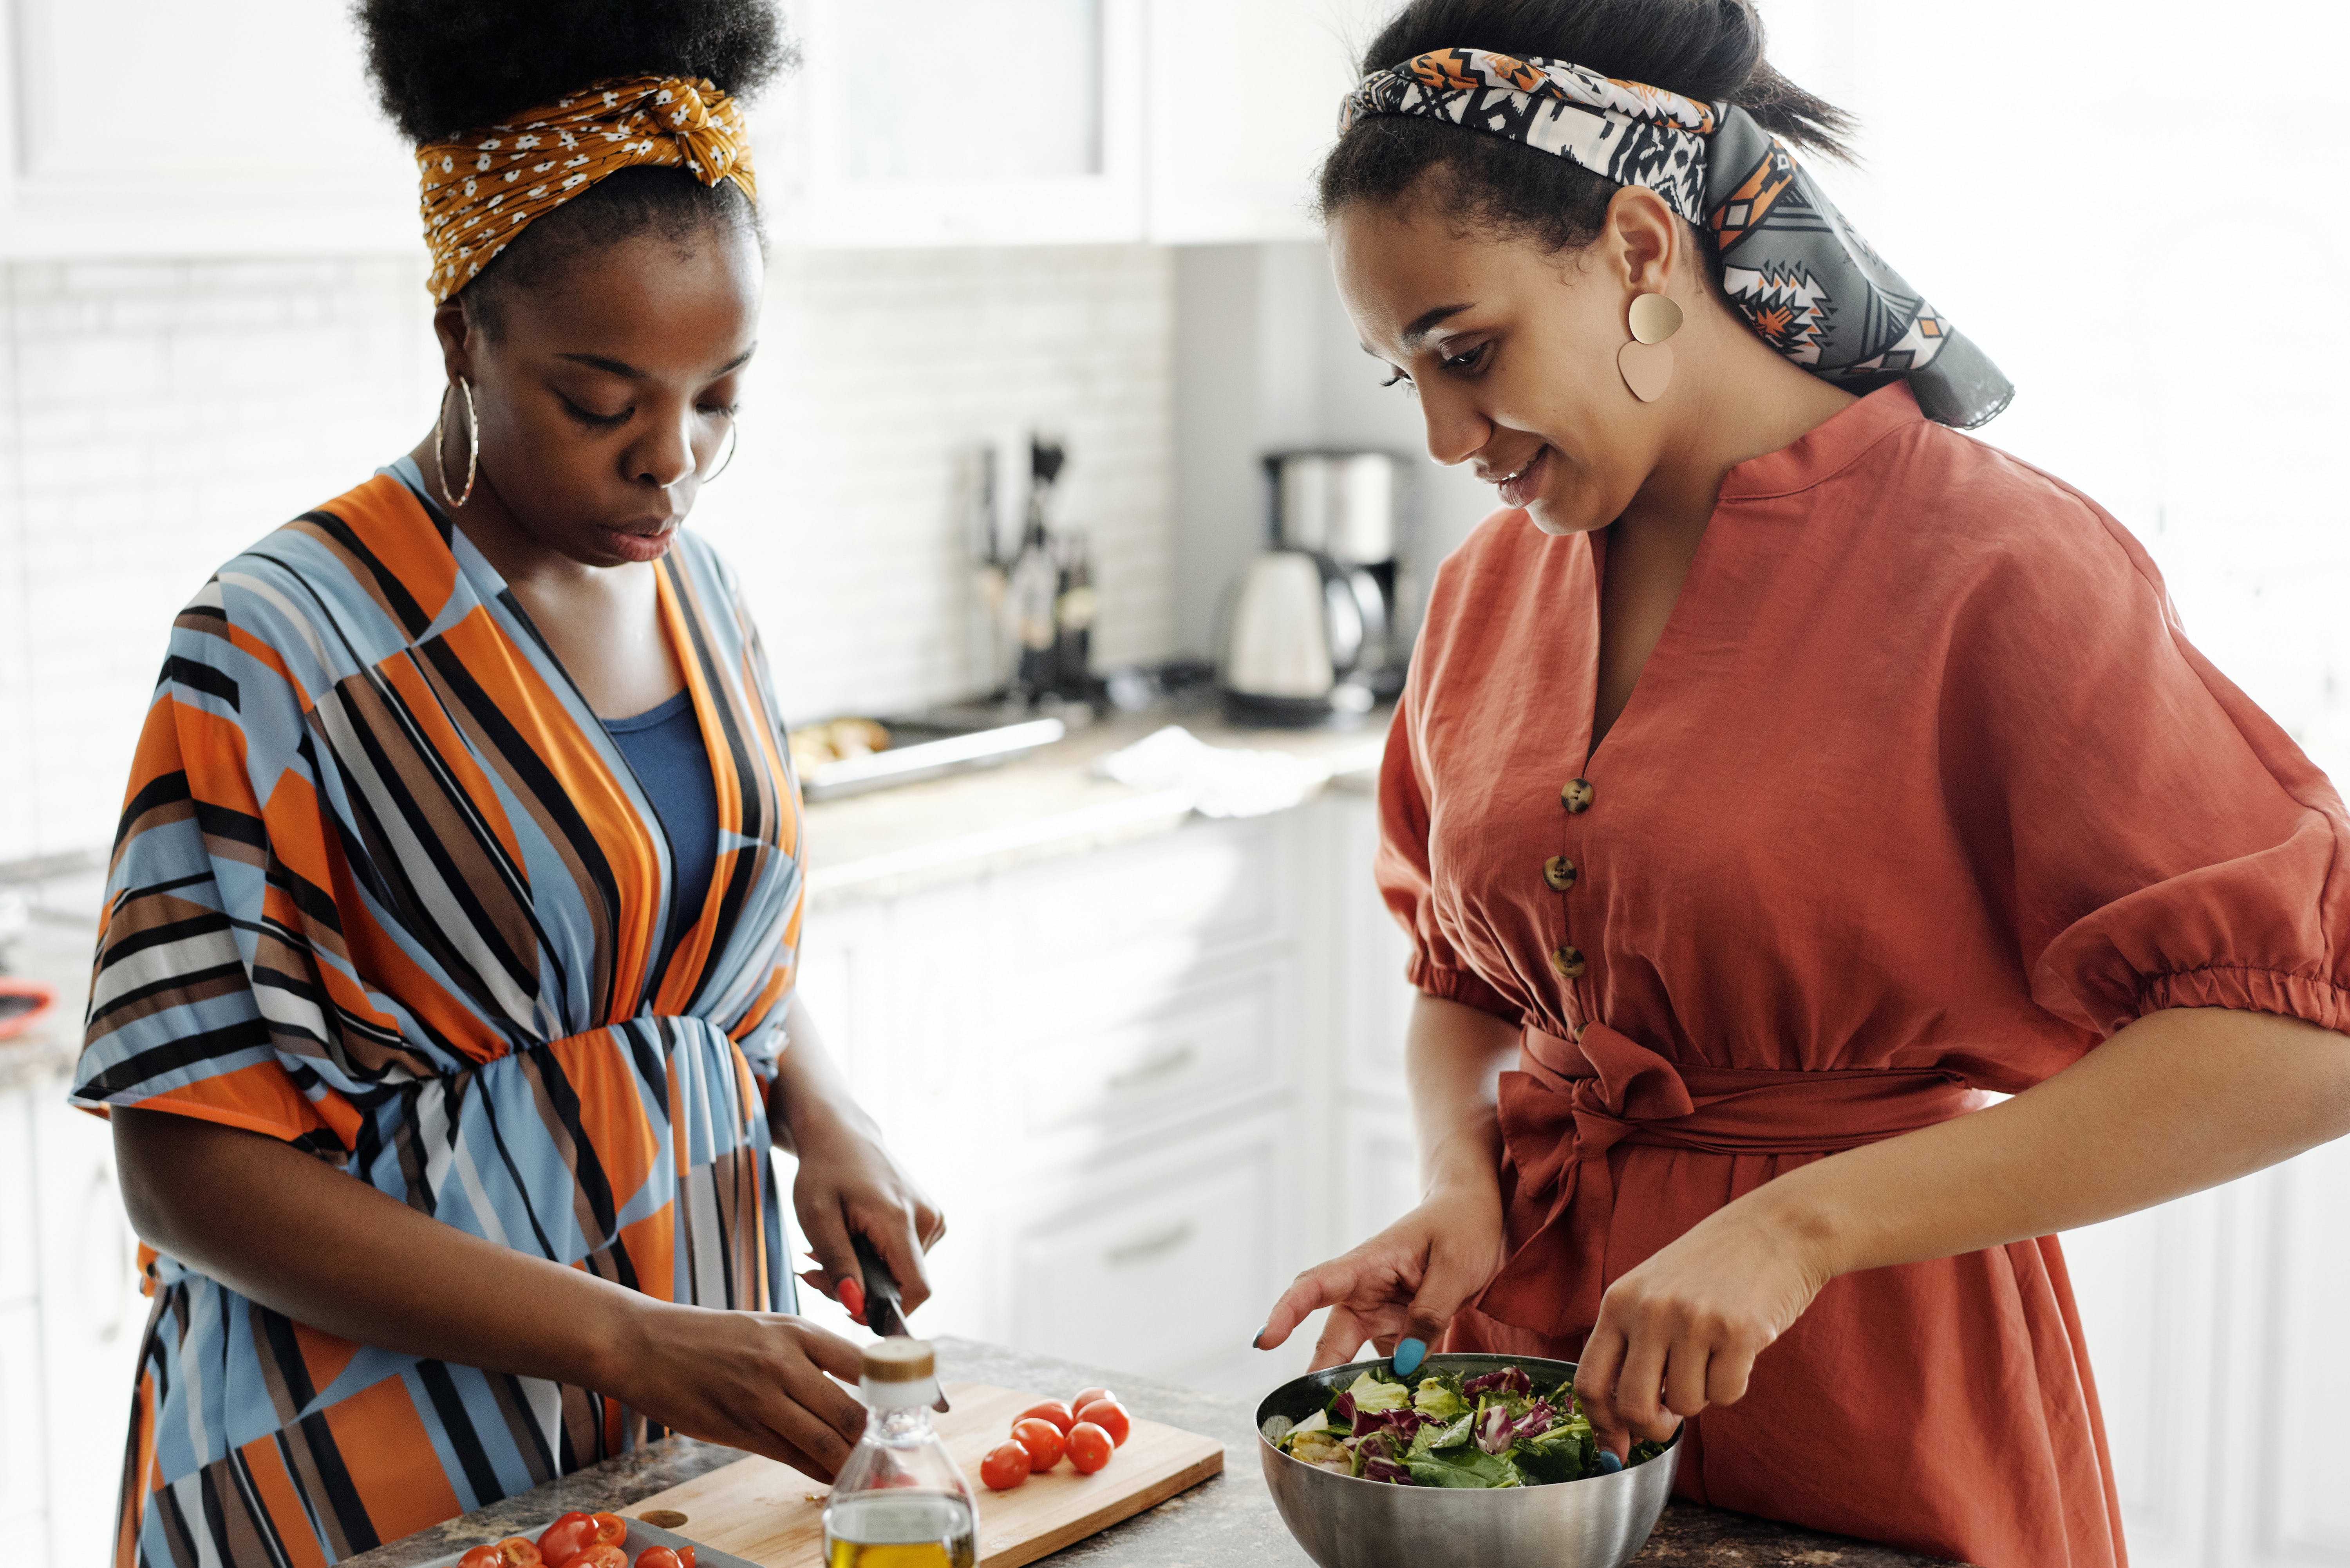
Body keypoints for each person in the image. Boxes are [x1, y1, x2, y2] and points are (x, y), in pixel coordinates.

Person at [1251, 2, 2350, 1563]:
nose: (1441, 436)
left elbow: (2304, 1036)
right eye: (1399, 377)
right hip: (1534, 1425)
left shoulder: (2002, 568)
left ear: (1640, 246)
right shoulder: (1490, 585)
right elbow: (1459, 974)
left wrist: (1798, 1223)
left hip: (1875, 1402)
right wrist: (1463, 1182)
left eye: (1467, 353)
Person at [69, 3, 942, 1562]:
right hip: (359, 1451)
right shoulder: (279, 643)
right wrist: (623, 1335)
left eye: (718, 397)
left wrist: (828, 1111)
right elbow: (182, 1162)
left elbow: (681, 917)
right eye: (603, 403)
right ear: (464, 331)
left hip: (673, 1429)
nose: (668, 460)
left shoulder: (706, 597)